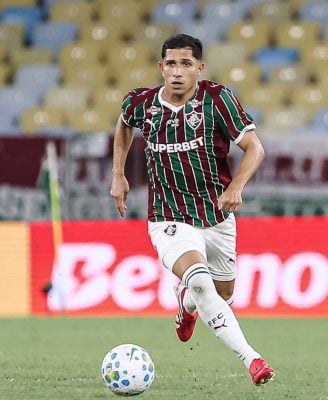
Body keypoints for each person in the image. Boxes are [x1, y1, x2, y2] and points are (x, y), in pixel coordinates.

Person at [109, 34, 274, 386]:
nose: (177, 72)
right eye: (171, 64)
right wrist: (118, 174)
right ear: (161, 67)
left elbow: (255, 148)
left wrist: (236, 187)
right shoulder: (142, 103)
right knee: (199, 279)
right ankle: (253, 359)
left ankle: (186, 306)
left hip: (216, 217)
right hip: (167, 216)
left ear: (199, 68)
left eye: (186, 64)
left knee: (223, 295)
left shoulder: (218, 100)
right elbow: (123, 122)